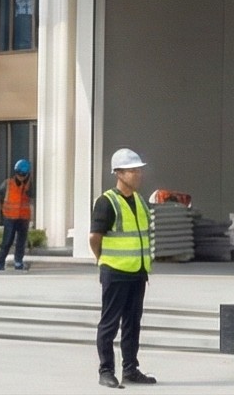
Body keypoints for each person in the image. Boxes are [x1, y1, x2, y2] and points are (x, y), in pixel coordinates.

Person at [91, 148, 157, 389]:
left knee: (132, 322)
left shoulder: (140, 200)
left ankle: (130, 369)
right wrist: (103, 260)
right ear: (118, 173)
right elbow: (94, 238)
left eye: (139, 170)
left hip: (138, 272)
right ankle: (106, 370)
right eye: (133, 171)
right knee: (109, 323)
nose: (138, 175)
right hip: (115, 271)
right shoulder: (107, 202)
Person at [0, 157, 33, 272]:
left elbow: (32, 197)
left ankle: (18, 261)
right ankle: (0, 262)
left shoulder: (29, 186)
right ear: (15, 173)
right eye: (19, 174)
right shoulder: (8, 184)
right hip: (10, 217)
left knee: (21, 242)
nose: (21, 177)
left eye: (24, 175)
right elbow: (0, 197)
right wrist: (2, 213)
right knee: (7, 241)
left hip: (23, 218)